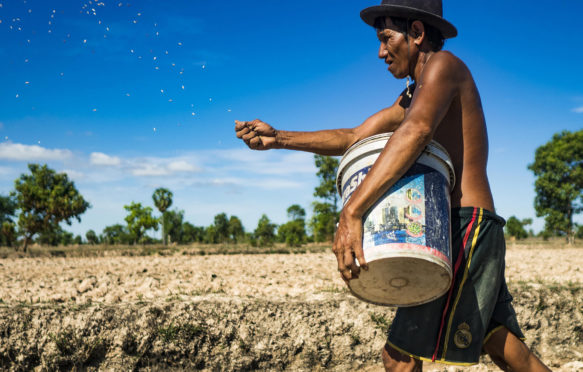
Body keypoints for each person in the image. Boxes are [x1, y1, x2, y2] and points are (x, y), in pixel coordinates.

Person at [235, 0, 551, 370]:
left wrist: (352, 210)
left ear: (416, 33)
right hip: (469, 228)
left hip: (463, 226)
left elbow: (415, 132)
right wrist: (280, 138)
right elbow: (354, 136)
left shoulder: (444, 67)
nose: (381, 52)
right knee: (499, 343)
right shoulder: (413, 93)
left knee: (399, 357)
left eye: (386, 38)